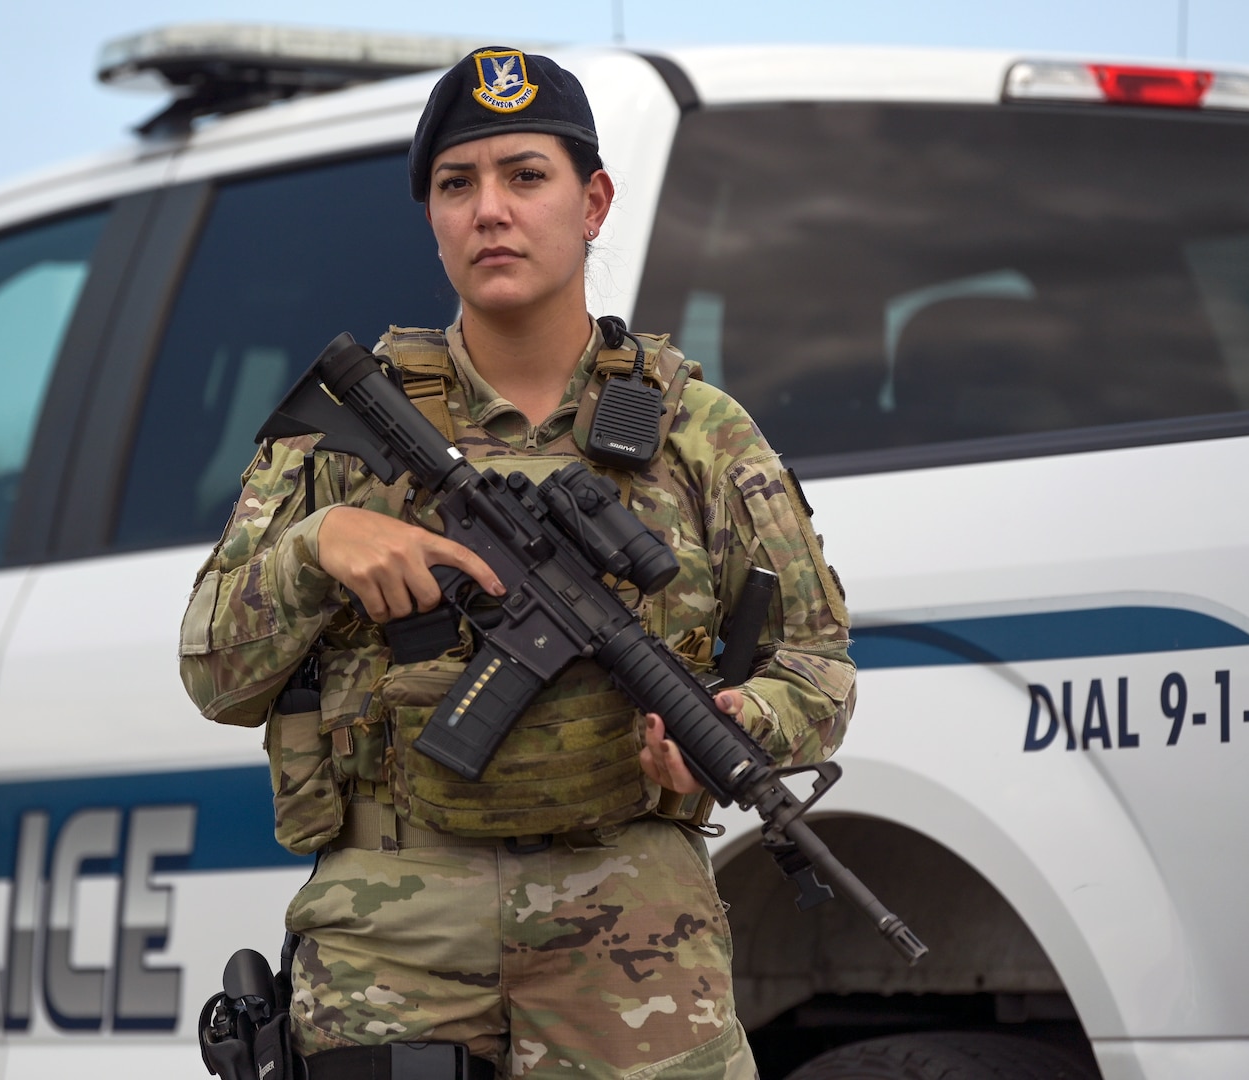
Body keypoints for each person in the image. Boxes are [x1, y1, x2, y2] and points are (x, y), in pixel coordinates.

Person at [179, 46, 856, 1079]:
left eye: (524, 176)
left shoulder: (699, 435)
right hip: (392, 932)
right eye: (458, 184)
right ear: (433, 219)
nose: (490, 210)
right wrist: (316, 549)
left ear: (593, 202)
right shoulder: (341, 439)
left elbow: (818, 666)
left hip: (635, 937)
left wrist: (737, 723)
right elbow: (213, 676)